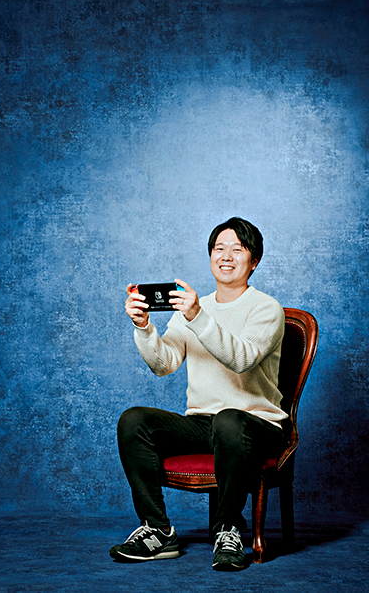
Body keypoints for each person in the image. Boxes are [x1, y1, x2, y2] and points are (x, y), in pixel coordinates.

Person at [110, 217, 288, 570]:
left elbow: (241, 360)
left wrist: (197, 316)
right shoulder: (192, 308)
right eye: (219, 248)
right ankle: (157, 530)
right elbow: (163, 363)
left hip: (257, 425)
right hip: (205, 424)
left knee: (229, 420)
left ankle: (228, 529)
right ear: (210, 256)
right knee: (134, 420)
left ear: (254, 261)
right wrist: (144, 327)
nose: (226, 256)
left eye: (238, 249)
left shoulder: (267, 308)